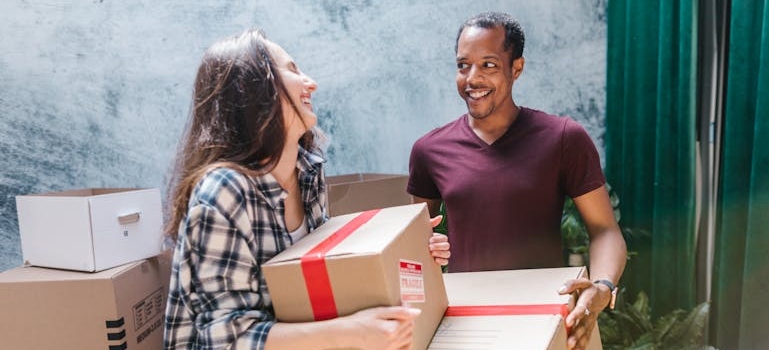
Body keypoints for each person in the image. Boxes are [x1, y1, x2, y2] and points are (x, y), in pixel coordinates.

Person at [163, 29, 450, 350]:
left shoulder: (307, 171)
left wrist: (409, 254)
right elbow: (225, 339)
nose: (311, 83)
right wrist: (352, 333)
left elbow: (321, 278)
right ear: (253, 89)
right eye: (292, 70)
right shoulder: (225, 192)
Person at [407, 12, 626, 350]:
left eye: (489, 65)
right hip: (465, 323)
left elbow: (605, 230)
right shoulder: (429, 150)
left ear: (517, 68)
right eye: (463, 65)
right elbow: (414, 246)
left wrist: (602, 287)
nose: (472, 79)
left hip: (543, 318)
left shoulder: (563, 138)